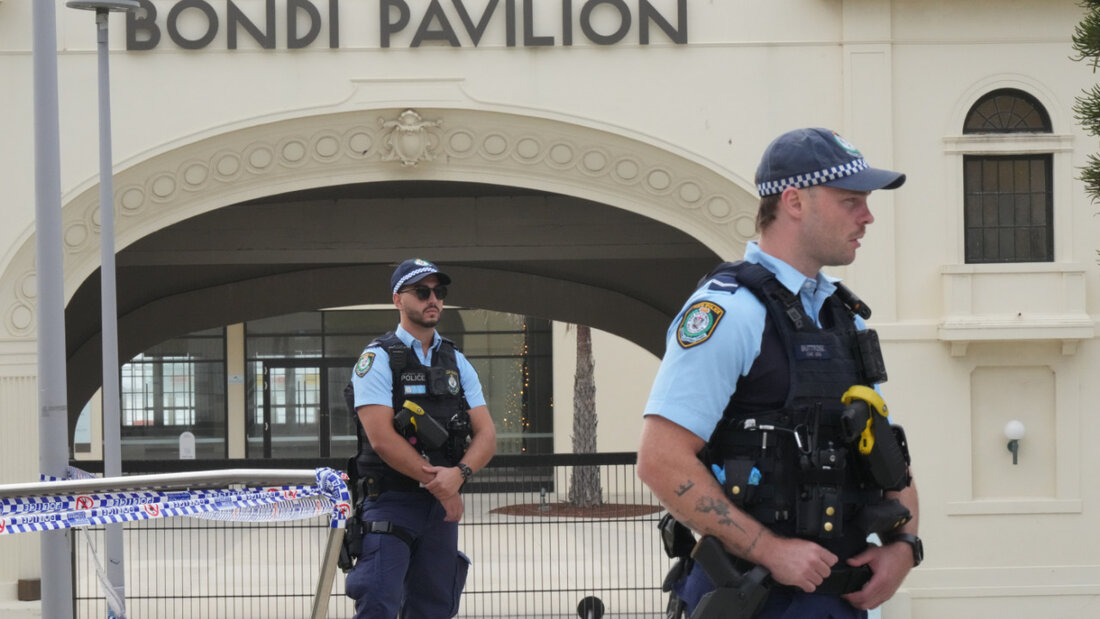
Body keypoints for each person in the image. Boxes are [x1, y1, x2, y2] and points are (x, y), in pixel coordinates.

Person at [637, 128, 922, 619]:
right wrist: (769, 549)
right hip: (751, 598)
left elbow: (885, 450)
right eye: (850, 201)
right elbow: (661, 460)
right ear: (794, 201)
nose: (867, 216)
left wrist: (906, 547)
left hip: (838, 600)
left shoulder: (844, 319)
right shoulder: (730, 313)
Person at [344, 258, 496, 619]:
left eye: (439, 292)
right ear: (398, 299)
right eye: (422, 292)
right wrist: (443, 487)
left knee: (433, 609)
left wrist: (459, 475)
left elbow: (487, 434)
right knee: (378, 603)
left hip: (438, 510)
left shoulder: (456, 361)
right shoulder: (377, 358)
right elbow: (382, 439)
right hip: (390, 501)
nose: (434, 299)